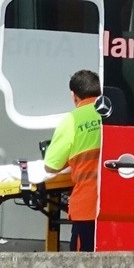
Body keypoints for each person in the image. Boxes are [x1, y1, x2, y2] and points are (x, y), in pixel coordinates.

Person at [42, 69, 104, 252]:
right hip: (114, 205)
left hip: (86, 207)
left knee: (82, 265)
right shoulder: (113, 114)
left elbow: (51, 166)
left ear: (74, 96)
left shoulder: (72, 120)